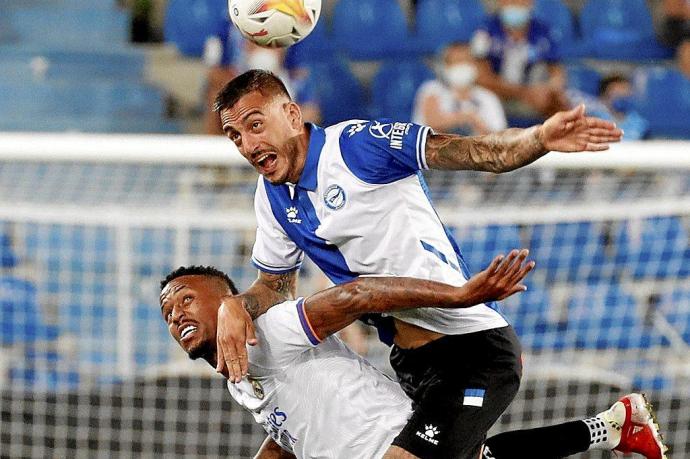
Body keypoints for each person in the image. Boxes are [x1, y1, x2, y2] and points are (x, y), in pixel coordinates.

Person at [213, 69, 625, 459]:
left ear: (291, 113)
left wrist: (538, 138)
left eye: (254, 125)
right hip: (409, 364)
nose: (248, 146)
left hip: (470, 348)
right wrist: (234, 305)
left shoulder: (358, 145)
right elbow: (276, 288)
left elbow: (474, 151)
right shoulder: (270, 197)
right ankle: (612, 428)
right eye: (234, 136)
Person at [159, 264, 667, 459]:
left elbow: (357, 296)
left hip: (397, 437)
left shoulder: (273, 330)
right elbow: (289, 433)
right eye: (166, 310)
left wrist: (459, 295)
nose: (174, 313)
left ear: (224, 299)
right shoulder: (239, 379)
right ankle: (613, 426)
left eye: (185, 299)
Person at [471, 0, 568, 117]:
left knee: (563, 104)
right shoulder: (484, 32)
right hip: (499, 97)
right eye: (510, 1)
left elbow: (557, 74)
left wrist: (549, 89)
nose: (515, 4)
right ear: (500, 2)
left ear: (531, 2)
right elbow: (481, 78)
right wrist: (524, 92)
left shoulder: (544, 31)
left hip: (537, 96)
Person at [412, 42, 507, 135]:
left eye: (465, 60)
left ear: (475, 64)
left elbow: (499, 140)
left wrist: (477, 124)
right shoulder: (431, 89)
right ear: (444, 66)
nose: (461, 65)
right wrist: (466, 117)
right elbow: (432, 122)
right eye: (455, 61)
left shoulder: (488, 97)